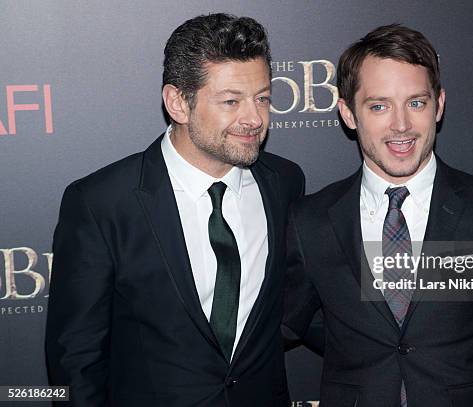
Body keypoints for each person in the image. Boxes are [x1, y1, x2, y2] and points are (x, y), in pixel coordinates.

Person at [282, 24, 473, 406]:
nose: (401, 125)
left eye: (416, 103)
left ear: (439, 105)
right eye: (379, 106)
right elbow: (287, 323)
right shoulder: (310, 220)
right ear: (348, 112)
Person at [46, 13, 303, 406]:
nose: (255, 119)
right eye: (231, 101)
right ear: (178, 103)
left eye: (263, 98)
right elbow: (75, 358)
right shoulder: (101, 202)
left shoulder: (284, 182)